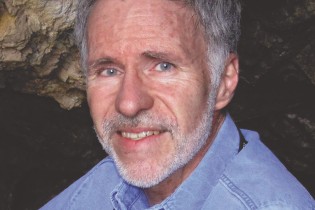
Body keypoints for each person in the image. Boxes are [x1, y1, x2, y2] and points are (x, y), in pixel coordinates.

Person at [41, 0, 315, 209]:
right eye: (109, 70)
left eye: (163, 66)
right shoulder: (90, 193)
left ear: (223, 81)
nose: (128, 104)